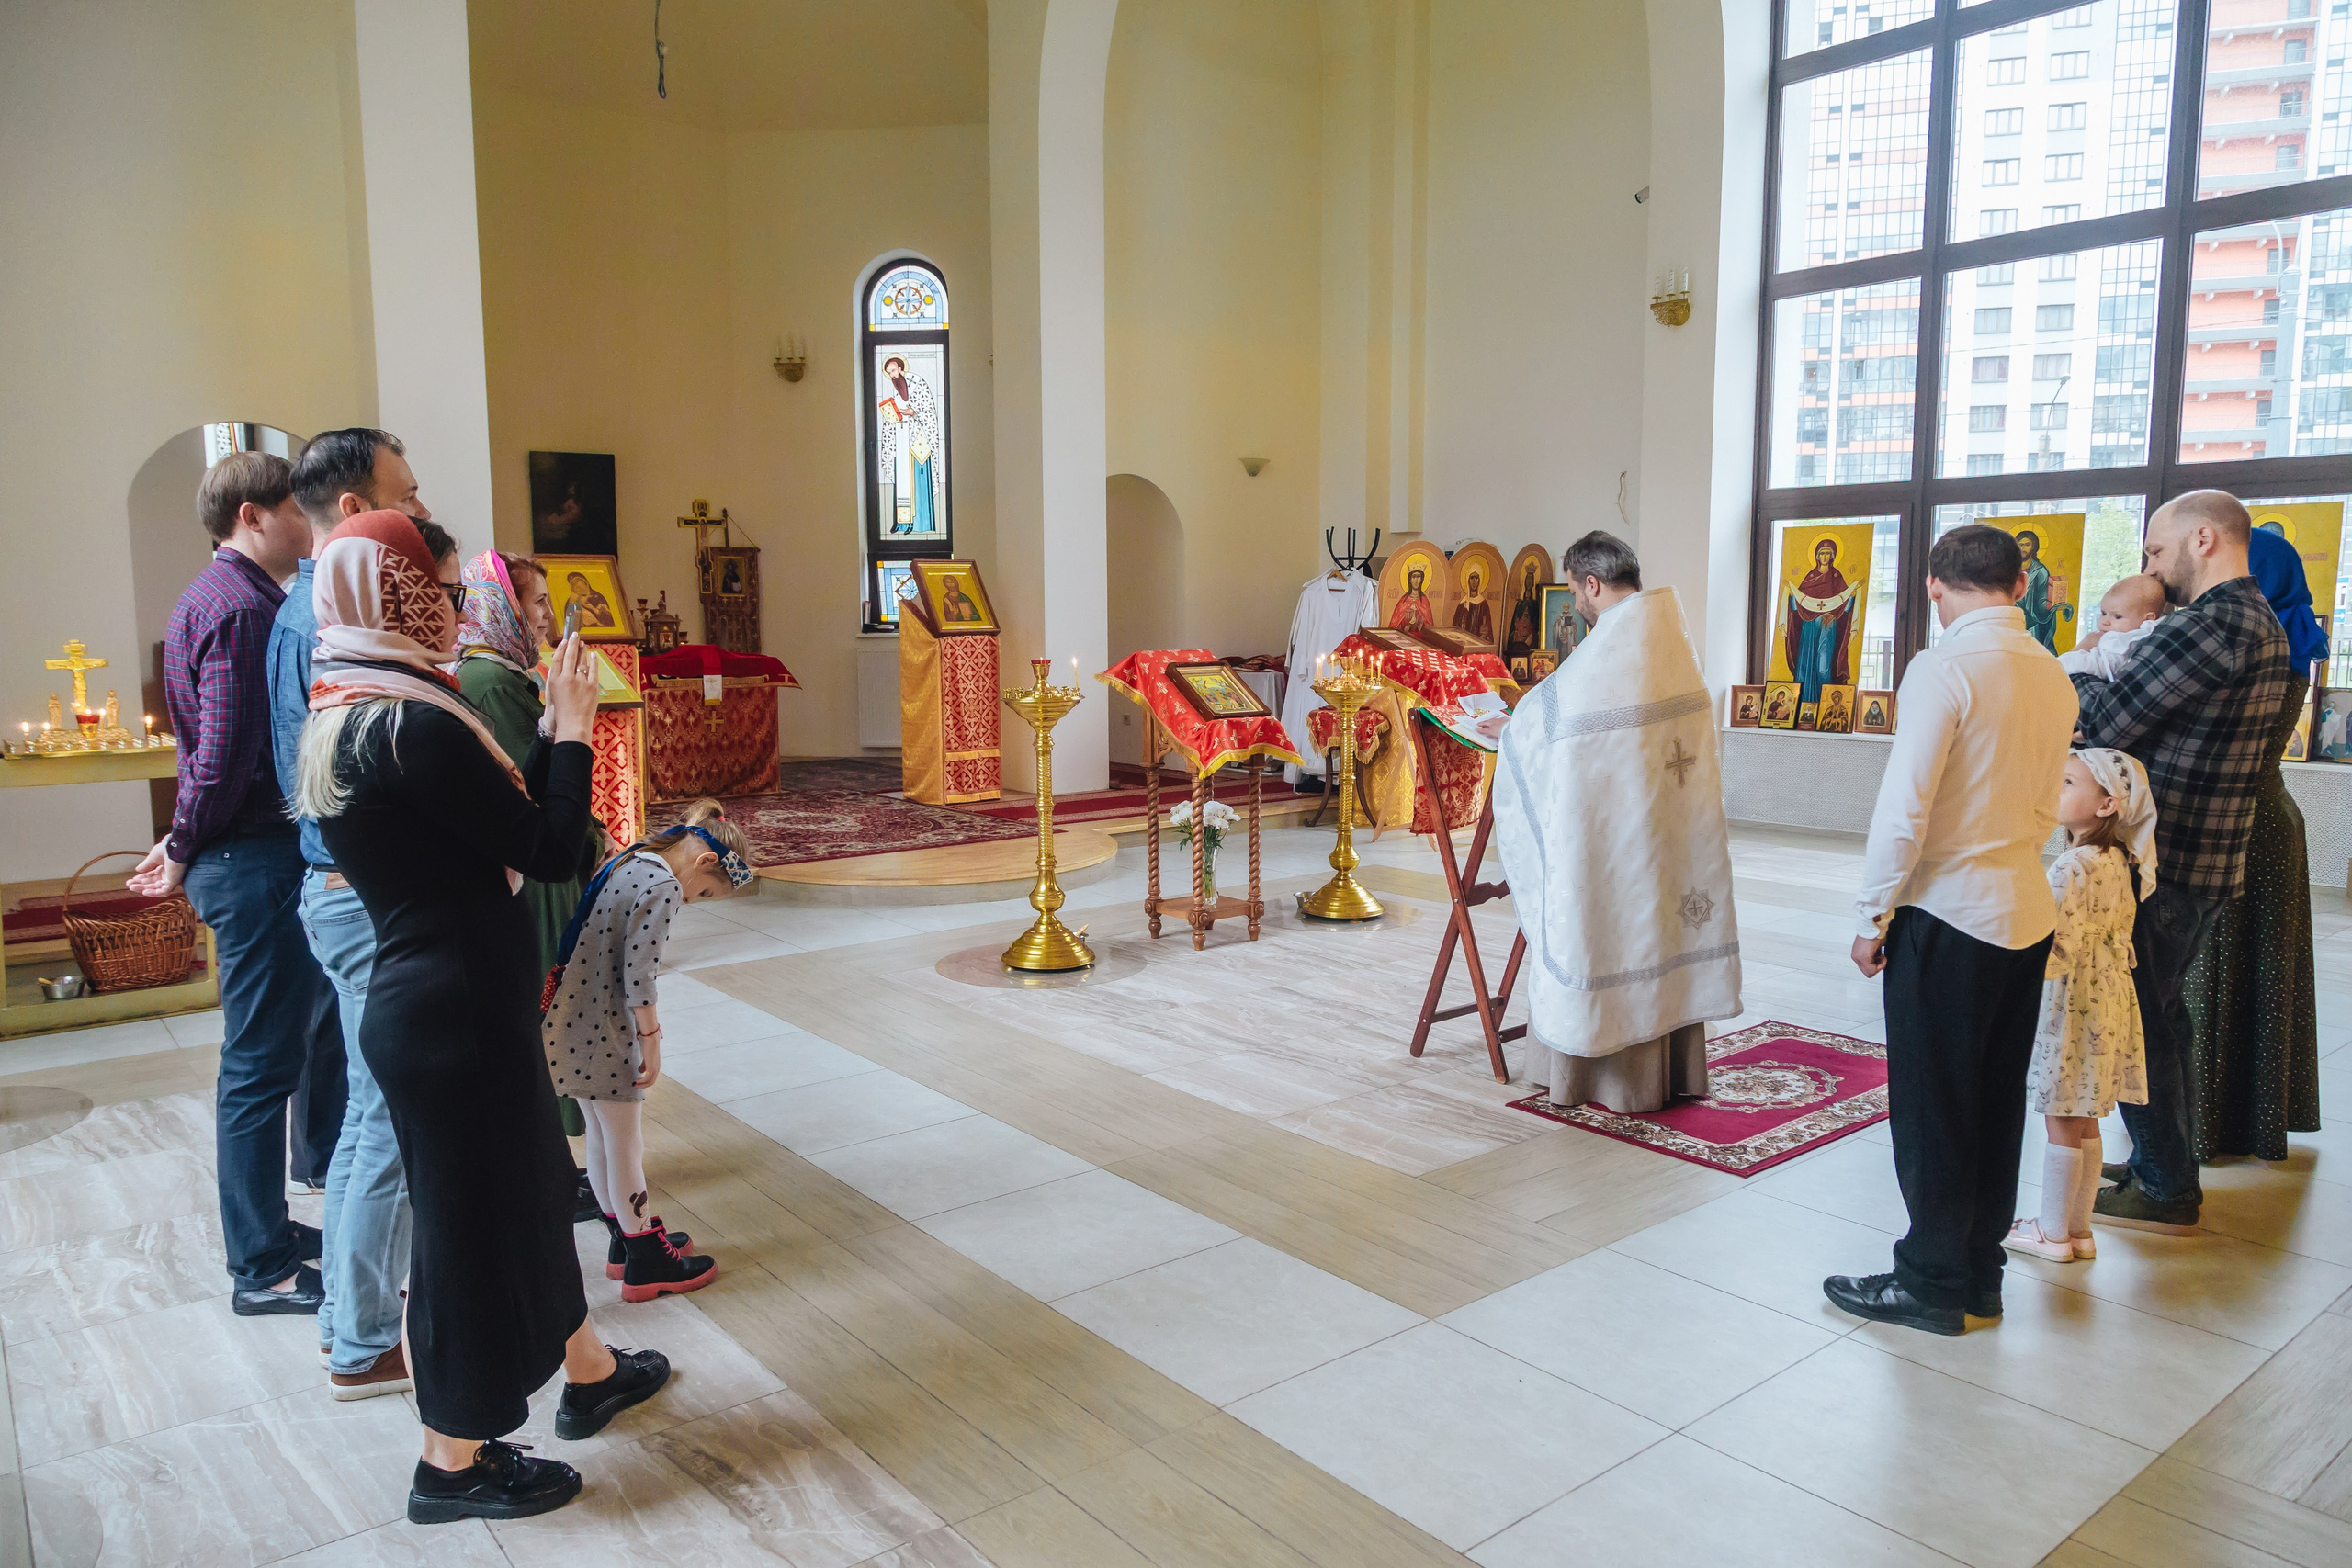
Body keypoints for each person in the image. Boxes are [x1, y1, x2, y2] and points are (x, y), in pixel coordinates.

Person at [293, 511, 670, 1521]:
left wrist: (547, 736)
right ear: (402, 594)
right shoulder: (411, 725)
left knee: (533, 1199)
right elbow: (549, 848)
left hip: (448, 1011)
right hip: (452, 1021)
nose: (457, 609)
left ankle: (587, 1371)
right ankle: (448, 1465)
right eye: (446, 589)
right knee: (463, 1245)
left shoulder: (358, 702)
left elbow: (485, 842)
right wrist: (576, 733)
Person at [1826, 524, 2076, 1337]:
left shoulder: (1943, 667)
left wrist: (1872, 913)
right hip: (2025, 909)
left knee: (1934, 1104)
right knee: (1996, 1099)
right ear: (2016, 582)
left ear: (1935, 588)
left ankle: (1930, 1280)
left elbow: (1905, 807)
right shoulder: (2054, 670)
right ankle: (1980, 1272)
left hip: (1948, 912)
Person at [128, 452, 332, 1315]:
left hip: (243, 852)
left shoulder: (216, 596)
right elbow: (221, 757)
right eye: (296, 509)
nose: (307, 524)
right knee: (255, 1066)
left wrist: (181, 843)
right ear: (253, 516)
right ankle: (262, 1265)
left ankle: (278, 1222)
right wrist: (179, 843)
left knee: (283, 1046)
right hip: (247, 856)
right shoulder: (246, 609)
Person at [270, 425, 440, 1395]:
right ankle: (366, 1336)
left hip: (344, 891)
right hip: (359, 894)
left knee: (370, 1117)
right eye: (403, 496)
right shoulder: (326, 628)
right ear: (352, 511)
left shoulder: (310, 613)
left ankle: (350, 1312)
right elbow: (346, 785)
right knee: (385, 1116)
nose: (417, 512)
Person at [2073, 491, 2290, 1232]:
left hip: (2167, 865)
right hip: (2207, 860)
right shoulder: (2259, 619)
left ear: (2204, 539)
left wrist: (2073, 668)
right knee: (2164, 1014)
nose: (2152, 574)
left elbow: (2098, 721)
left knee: (2140, 1020)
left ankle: (2166, 1184)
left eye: (2157, 553)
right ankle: (2164, 1160)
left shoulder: (2206, 628)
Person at [1491, 530, 1738, 1114]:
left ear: (1593, 584)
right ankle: (1669, 1070)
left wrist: (1508, 733)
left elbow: (1537, 728)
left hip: (1607, 847)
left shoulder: (1603, 659)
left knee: (1601, 929)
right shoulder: (1674, 648)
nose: (1574, 603)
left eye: (1575, 590)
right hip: (1667, 838)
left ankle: (1595, 1075)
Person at [544, 800, 750, 1299]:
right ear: (704, 862)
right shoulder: (661, 886)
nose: (692, 900)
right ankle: (645, 1256)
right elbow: (638, 975)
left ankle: (622, 1236)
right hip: (606, 1029)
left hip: (571, 1018)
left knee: (601, 1138)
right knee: (627, 1146)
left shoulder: (633, 857)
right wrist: (651, 1041)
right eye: (703, 893)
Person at [2178, 518, 2324, 1162]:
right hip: (2272, 817)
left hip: (2235, 821)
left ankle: (2207, 1123)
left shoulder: (2240, 639)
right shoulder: (2290, 637)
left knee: (2213, 975)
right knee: (2253, 976)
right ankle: (2247, 1116)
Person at [2004, 750, 2155, 1264]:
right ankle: (2078, 1229)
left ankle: (2049, 1232)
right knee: (2086, 1114)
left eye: (2068, 782)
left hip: (2072, 1004)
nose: (2056, 789)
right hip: (2110, 1000)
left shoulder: (2070, 866)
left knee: (2060, 1115)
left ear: (2108, 804)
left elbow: (2051, 947)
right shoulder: (2117, 862)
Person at [1782, 536, 1858, 706]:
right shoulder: (1810, 576)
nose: (1824, 556)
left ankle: (1825, 705)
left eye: (1827, 553)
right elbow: (1796, 607)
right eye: (1821, 553)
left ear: (1832, 556)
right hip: (1808, 625)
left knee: (1823, 664)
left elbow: (1845, 605)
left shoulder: (1837, 577)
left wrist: (1850, 598)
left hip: (1827, 625)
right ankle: (1801, 706)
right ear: (1816, 556)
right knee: (1805, 663)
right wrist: (1792, 594)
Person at [2059, 575, 2167, 681]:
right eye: (2104, 613)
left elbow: (2095, 664)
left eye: (2117, 616)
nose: (2105, 622)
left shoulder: (2131, 640)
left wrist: (2065, 661)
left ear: (2148, 620)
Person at [2016, 529, 2075, 654]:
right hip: (2012, 621)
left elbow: (2041, 603)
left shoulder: (2040, 571)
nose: (2024, 548)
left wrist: (2055, 607)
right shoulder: (2010, 570)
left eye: (2027, 544)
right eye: (2021, 544)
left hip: (2033, 625)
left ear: (2034, 547)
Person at [1452, 567, 1494, 645]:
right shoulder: (1462, 603)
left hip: (1477, 645)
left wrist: (1484, 634)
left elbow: (1488, 632)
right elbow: (1455, 627)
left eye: (1476, 578)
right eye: (1471, 578)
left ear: (1480, 580)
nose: (1474, 581)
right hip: (1462, 644)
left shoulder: (1483, 604)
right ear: (1468, 580)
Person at [1391, 566, 1435, 633]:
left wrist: (1420, 625)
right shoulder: (1403, 601)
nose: (1416, 580)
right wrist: (1406, 625)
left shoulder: (1424, 600)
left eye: (1418, 577)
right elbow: (1395, 624)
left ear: (1422, 579)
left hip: (1421, 638)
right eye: (1414, 577)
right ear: (1410, 579)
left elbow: (1429, 625)